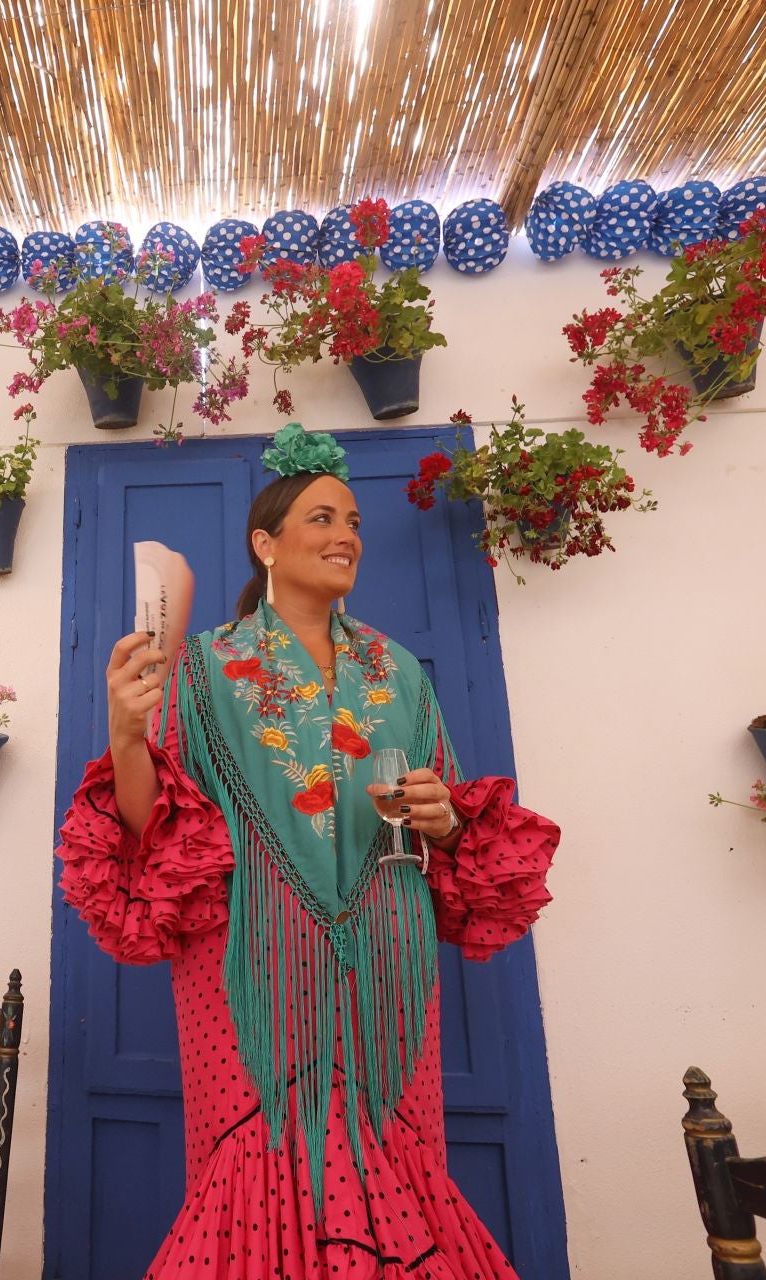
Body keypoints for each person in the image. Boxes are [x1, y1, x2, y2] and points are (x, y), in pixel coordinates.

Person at [57, 424, 559, 1278]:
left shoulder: (399, 670)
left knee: (388, 1149)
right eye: (322, 519)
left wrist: (443, 820)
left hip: (387, 956)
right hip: (251, 962)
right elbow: (150, 832)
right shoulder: (203, 665)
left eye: (354, 522)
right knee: (260, 1152)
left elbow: (452, 827)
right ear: (266, 544)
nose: (346, 536)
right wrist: (126, 735)